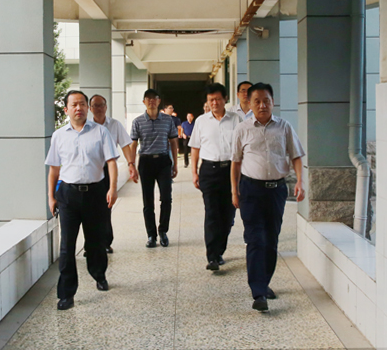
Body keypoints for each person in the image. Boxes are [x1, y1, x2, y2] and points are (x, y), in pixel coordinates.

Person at [231, 82, 305, 312]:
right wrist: (234, 191)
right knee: (255, 239)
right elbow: (235, 163)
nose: (262, 105)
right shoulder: (242, 129)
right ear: (250, 104)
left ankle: (264, 282)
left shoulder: (284, 127)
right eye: (257, 101)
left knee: (271, 239)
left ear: (273, 102)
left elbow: (296, 156)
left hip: (276, 191)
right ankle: (258, 292)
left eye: (266, 101)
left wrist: (300, 181)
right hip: (250, 190)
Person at [46, 90, 119, 311]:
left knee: (96, 241)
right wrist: (51, 196)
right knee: (67, 246)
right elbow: (54, 169)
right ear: (66, 109)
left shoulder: (101, 132)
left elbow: (112, 162)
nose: (79, 108)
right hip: (68, 195)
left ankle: (99, 274)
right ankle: (66, 294)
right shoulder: (59, 135)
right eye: (74, 105)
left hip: (95, 193)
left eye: (82, 104)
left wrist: (112, 188)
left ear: (87, 107)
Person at [189, 84, 241, 271]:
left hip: (230, 171)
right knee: (212, 213)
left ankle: (219, 251)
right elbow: (195, 148)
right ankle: (212, 256)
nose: (214, 103)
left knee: (228, 215)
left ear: (225, 99)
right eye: (211, 100)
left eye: (218, 99)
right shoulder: (201, 121)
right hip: (209, 170)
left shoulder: (236, 119)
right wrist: (194, 172)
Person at [89, 94, 139, 254]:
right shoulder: (86, 126)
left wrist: (131, 164)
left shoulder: (115, 125)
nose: (98, 108)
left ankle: (105, 241)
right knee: (89, 209)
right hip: (90, 171)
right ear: (90, 108)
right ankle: (91, 244)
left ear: (106, 107)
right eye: (95, 105)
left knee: (106, 207)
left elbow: (125, 145)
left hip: (107, 170)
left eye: (101, 105)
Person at [130, 89, 179, 248]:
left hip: (163, 161)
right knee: (148, 201)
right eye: (148, 99)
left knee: (166, 198)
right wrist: (131, 165)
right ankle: (151, 235)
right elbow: (133, 144)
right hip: (146, 162)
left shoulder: (168, 120)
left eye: (154, 98)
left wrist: (175, 163)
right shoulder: (137, 121)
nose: (151, 101)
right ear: (144, 102)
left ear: (159, 101)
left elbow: (173, 142)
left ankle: (163, 231)